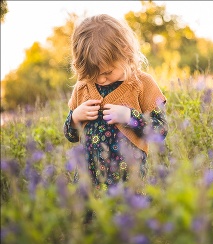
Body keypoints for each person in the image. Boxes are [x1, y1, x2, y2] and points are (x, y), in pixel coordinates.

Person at [64, 14, 167, 192]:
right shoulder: (83, 88)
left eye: (107, 72)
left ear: (125, 52)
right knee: (84, 217)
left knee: (124, 216)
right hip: (87, 180)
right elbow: (71, 135)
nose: (101, 80)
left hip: (127, 180)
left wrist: (130, 117)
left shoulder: (142, 84)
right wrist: (74, 118)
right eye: (93, 74)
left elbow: (160, 129)